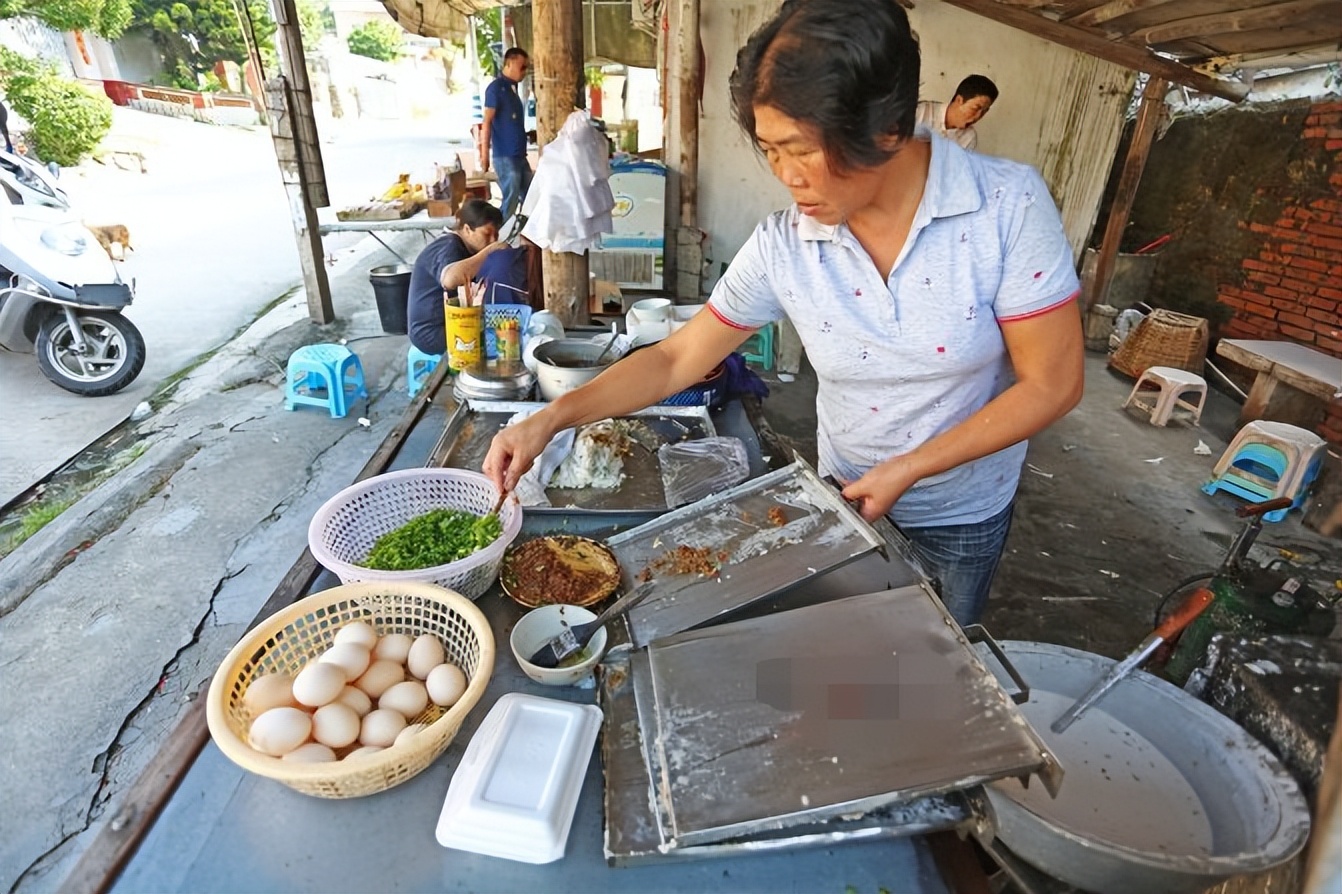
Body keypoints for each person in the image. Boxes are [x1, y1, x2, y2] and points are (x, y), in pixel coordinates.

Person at [483, 0, 1083, 627]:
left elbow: (1053, 382)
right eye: (770, 150)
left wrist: (911, 468)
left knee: (936, 662)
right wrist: (551, 418)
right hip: (846, 492)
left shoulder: (1003, 207)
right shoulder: (788, 242)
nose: (786, 177)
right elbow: (674, 358)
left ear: (885, 128)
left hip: (959, 510)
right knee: (848, 648)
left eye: (800, 150)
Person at [406, 200, 506, 356]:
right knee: (501, 341)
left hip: (451, 322)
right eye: (487, 234)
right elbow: (450, 280)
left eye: (496, 235)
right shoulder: (449, 246)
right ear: (467, 229)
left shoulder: (468, 249)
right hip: (430, 333)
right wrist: (490, 251)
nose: (493, 240)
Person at [481, 47, 533, 221]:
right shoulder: (495, 89)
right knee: (510, 200)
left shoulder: (513, 90)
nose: (525, 71)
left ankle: (527, 238)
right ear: (509, 63)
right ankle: (498, 237)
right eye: (522, 67)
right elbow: (486, 122)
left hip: (519, 155)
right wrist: (484, 156)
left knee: (532, 199)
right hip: (505, 155)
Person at [915, 74, 998, 151]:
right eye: (975, 108)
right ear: (959, 100)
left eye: (984, 111)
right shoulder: (922, 112)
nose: (978, 116)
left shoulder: (968, 138)